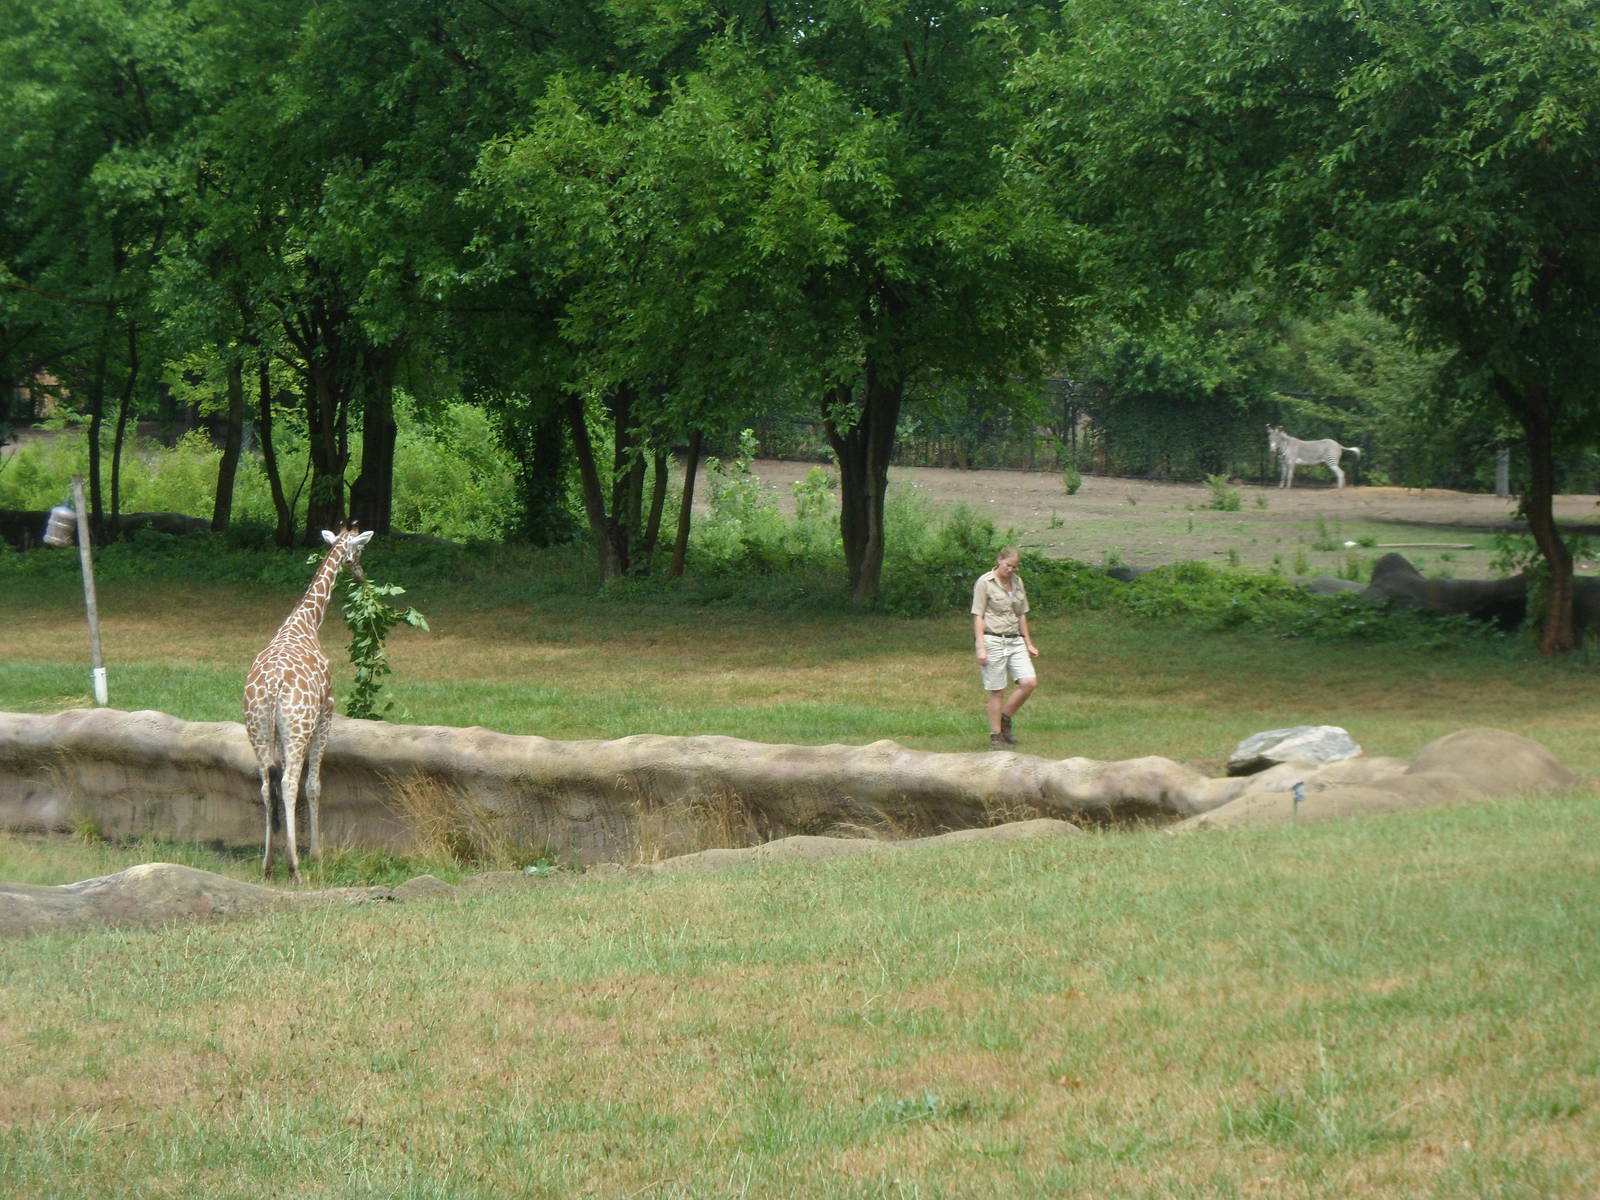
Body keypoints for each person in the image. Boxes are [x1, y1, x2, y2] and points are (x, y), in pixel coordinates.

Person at [971, 546, 1039, 749]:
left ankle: (1004, 718)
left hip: (1015, 639)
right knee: (997, 690)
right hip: (993, 640)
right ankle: (996, 737)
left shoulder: (1017, 582)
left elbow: (1021, 614)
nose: (1010, 570)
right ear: (999, 560)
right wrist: (981, 648)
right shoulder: (985, 582)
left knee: (1029, 682)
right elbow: (978, 615)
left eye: (1014, 567)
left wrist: (1028, 643)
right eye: (1008, 565)